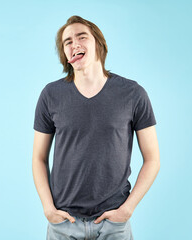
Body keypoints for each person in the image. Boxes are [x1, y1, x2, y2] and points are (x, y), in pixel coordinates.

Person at [32, 15, 160, 240]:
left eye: (82, 37)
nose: (75, 44)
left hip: (114, 223)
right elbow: (38, 158)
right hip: (64, 223)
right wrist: (48, 208)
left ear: (98, 44)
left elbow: (153, 159)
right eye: (68, 42)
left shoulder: (133, 94)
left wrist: (127, 209)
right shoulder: (50, 95)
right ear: (65, 54)